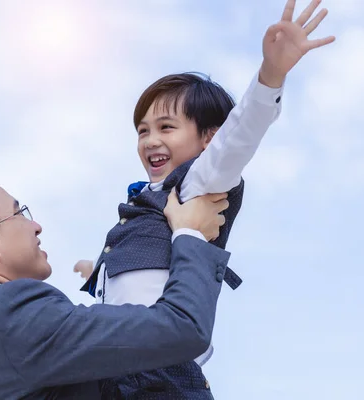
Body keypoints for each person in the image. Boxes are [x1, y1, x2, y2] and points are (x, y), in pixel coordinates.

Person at [74, 0, 336, 397]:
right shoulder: (148, 198)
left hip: (161, 370)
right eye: (142, 131)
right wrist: (97, 269)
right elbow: (143, 272)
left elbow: (241, 134)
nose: (151, 140)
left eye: (166, 127)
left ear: (208, 139)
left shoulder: (199, 181)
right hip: (119, 365)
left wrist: (272, 74)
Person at [0, 161, 233, 399]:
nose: (36, 226)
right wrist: (189, 234)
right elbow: (183, 329)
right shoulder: (10, 313)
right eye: (20, 213)